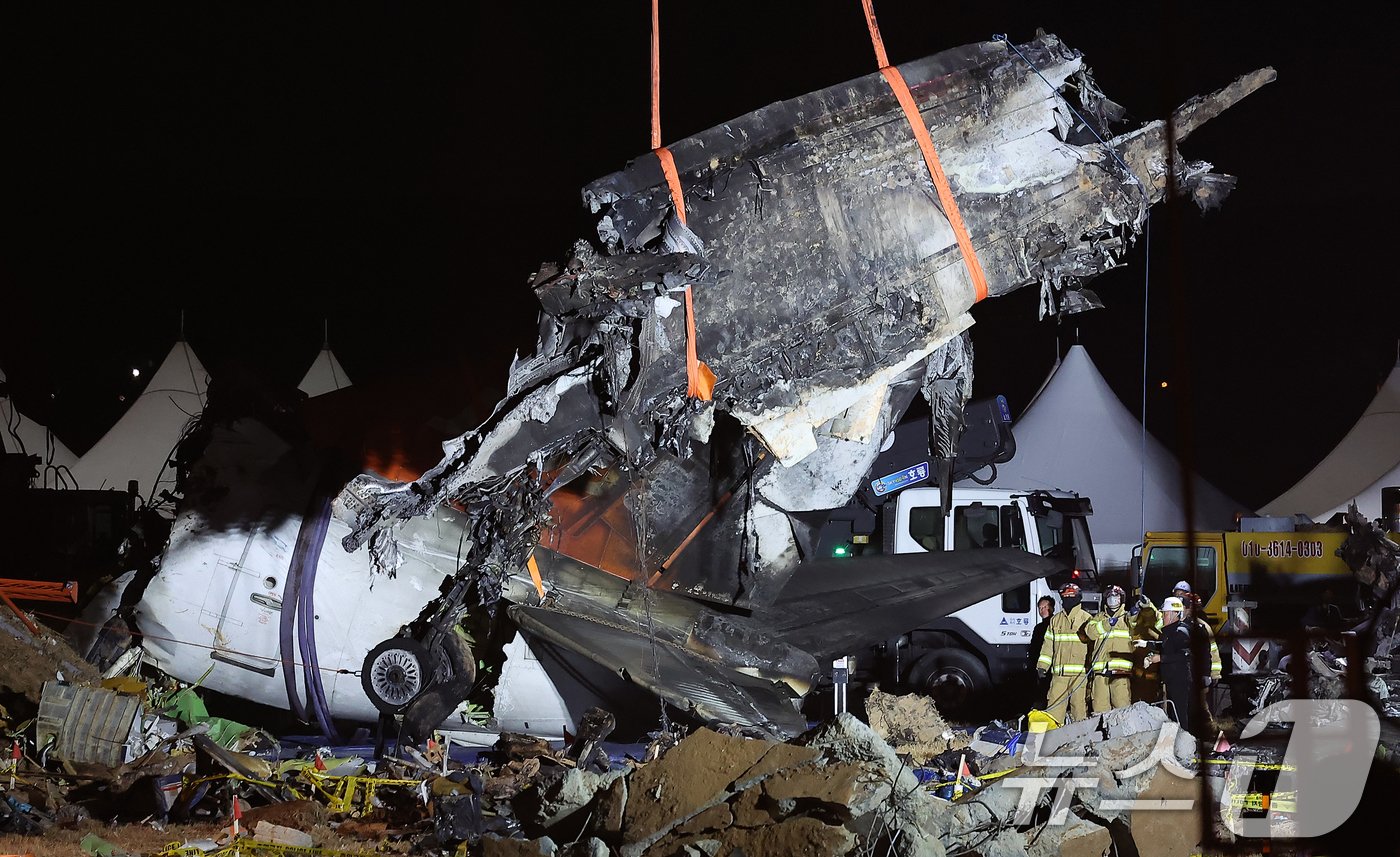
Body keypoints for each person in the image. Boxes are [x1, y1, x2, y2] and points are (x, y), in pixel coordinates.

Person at [1036, 583, 1093, 726]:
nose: (1067, 600)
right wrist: (1042, 666)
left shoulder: (1087, 619)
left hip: (1079, 676)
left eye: (1071, 597)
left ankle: (1080, 743)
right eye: (1065, 597)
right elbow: (1048, 645)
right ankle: (1052, 743)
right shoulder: (1055, 620)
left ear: (1078, 598)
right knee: (1054, 711)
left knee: (1079, 713)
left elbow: (1093, 647)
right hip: (1059, 676)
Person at [1082, 585, 1134, 712]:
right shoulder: (1099, 618)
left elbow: (1137, 625)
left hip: (1120, 673)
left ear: (1121, 599)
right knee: (1099, 708)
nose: (1113, 599)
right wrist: (1107, 624)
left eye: (1116, 596)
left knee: (1122, 708)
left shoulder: (1127, 618)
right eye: (1110, 596)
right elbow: (1090, 632)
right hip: (1100, 673)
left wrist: (1137, 612)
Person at [1149, 596, 1195, 733]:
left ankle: (1185, 745)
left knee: (1179, 714)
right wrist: (1146, 645)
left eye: (1165, 613)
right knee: (1172, 713)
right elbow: (1167, 647)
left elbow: (1185, 654)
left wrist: (1161, 658)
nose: (1163, 616)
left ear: (1175, 613)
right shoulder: (1169, 632)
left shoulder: (1181, 632)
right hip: (1171, 679)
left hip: (1180, 679)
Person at [1028, 595, 1055, 703]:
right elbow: (1034, 646)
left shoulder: (1056, 624)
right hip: (1040, 667)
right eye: (1040, 608)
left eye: (1045, 607)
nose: (1042, 610)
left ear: (1052, 608)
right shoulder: (1038, 628)